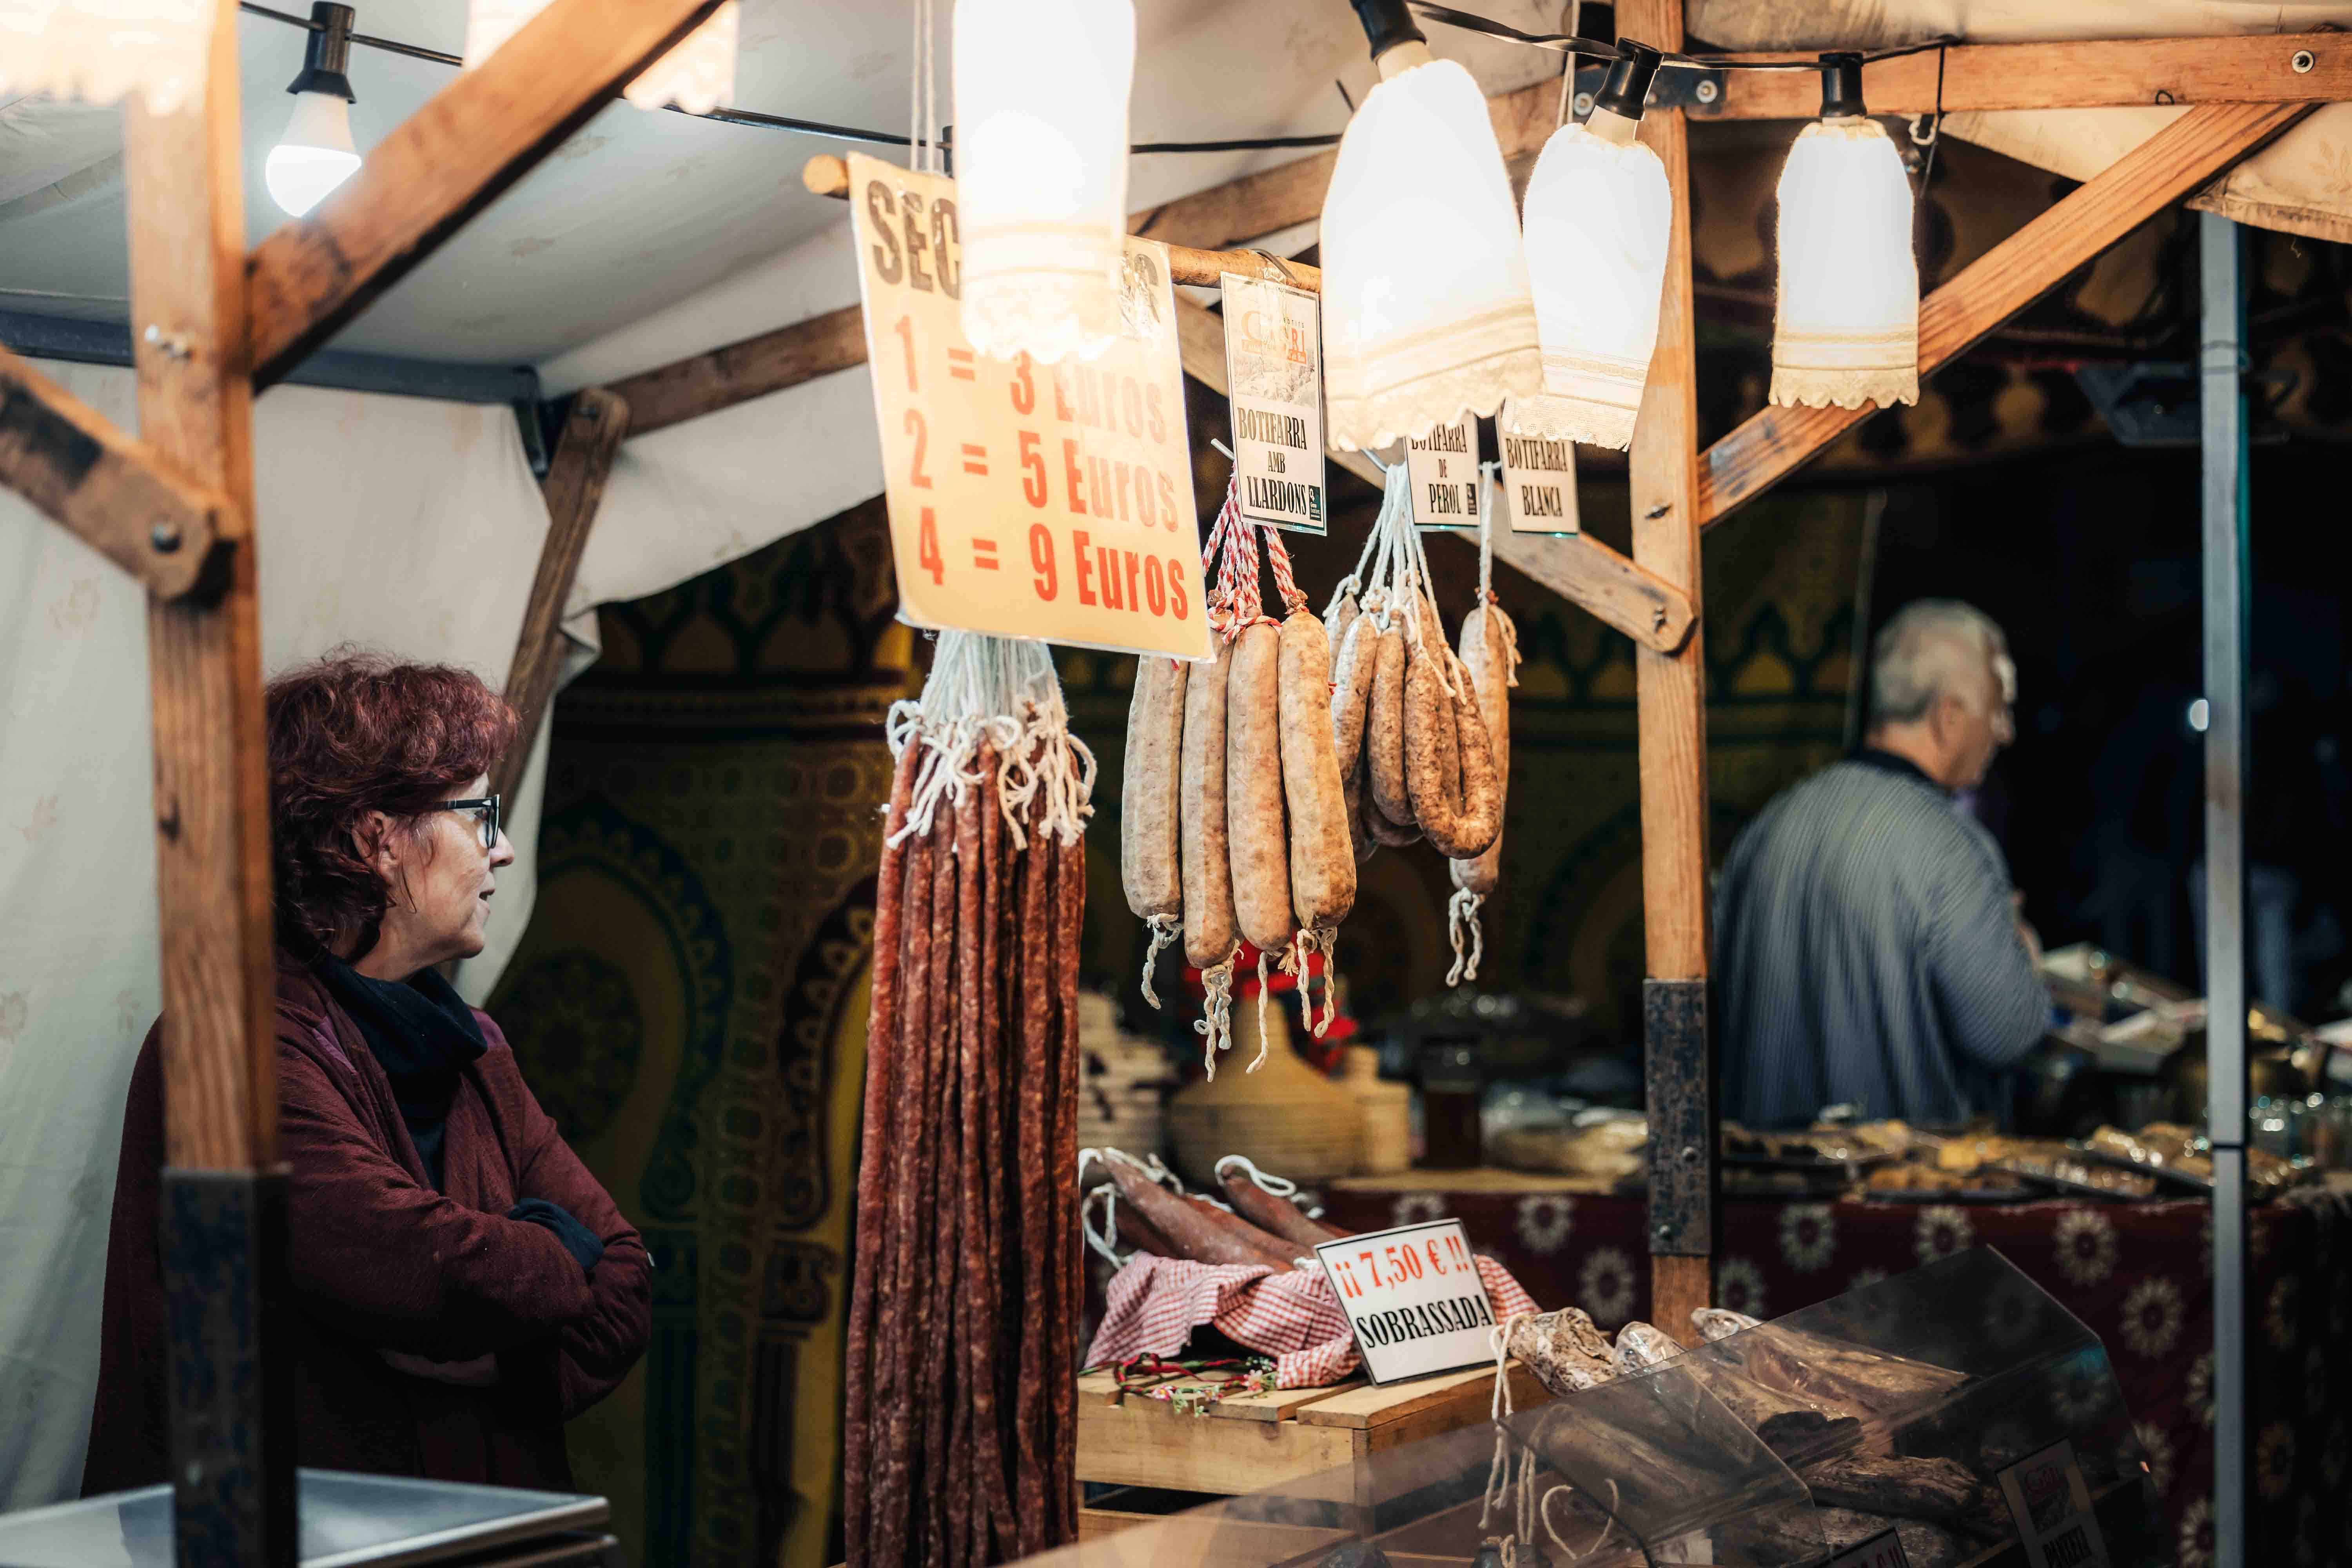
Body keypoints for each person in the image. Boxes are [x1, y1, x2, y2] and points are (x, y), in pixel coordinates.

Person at [83, 654, 650, 1492]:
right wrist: (556, 1255)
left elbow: (629, 1274)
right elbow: (417, 1266)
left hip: (471, 1536)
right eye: (479, 813)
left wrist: (495, 1365)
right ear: (376, 841)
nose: (504, 848)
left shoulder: (478, 1046)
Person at [1716, 600, 2048, 1128]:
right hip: (1889, 1195)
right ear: (1950, 718)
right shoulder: (1950, 846)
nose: (2005, 733)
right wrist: (2020, 950)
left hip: (1759, 1189)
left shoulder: (1771, 824)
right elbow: (2008, 1035)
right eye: (1999, 710)